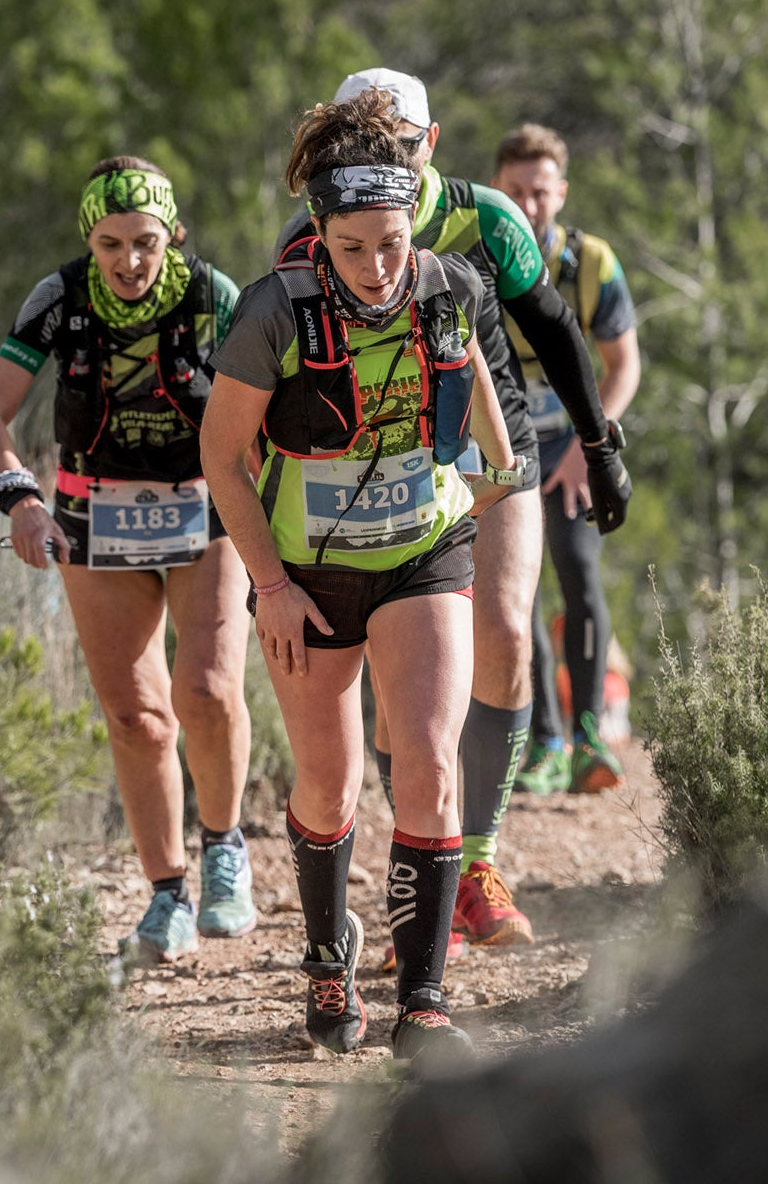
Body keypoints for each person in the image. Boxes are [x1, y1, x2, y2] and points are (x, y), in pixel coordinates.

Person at [275, 69, 632, 954]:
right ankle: (419, 874)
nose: (386, 158)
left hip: (491, 444)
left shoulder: (486, 217)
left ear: (429, 143)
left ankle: (478, 861)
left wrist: (600, 446)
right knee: (404, 702)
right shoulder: (313, 231)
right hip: (379, 469)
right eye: (369, 139)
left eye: (402, 143)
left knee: (508, 634)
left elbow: (554, 330)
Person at [203, 88, 522, 1062]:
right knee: (330, 784)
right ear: (318, 233)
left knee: (427, 759)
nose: (377, 269)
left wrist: (471, 498)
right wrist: (269, 585)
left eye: (391, 244)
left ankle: (421, 1004)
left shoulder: (446, 289)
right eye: (352, 249)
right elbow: (222, 460)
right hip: (304, 571)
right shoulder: (272, 314)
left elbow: (489, 441)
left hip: (420, 556)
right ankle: (324, 962)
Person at [0, 157, 255, 967]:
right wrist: (21, 499)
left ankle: (226, 844)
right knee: (136, 717)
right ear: (88, 242)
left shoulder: (213, 296)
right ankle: (166, 893)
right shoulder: (59, 299)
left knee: (206, 688)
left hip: (204, 503)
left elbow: (273, 403)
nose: (129, 261)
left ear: (175, 236)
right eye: (110, 244)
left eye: (146, 241)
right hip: (96, 509)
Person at [492, 125, 643, 796]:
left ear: (563, 192)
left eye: (541, 192)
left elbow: (623, 364)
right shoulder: (478, 257)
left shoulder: (594, 263)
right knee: (513, 590)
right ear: (497, 189)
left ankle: (587, 737)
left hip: (575, 445)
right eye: (516, 192)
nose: (528, 206)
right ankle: (545, 740)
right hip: (505, 448)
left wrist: (593, 445)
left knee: (579, 572)